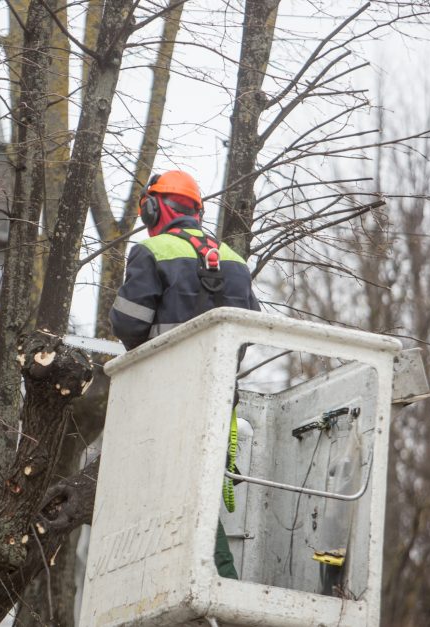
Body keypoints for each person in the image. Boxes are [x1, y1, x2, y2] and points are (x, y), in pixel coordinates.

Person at [109, 169, 260, 580]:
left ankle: (216, 582)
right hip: (216, 400)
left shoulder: (151, 251)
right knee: (199, 488)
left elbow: (127, 323)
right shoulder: (233, 260)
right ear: (197, 211)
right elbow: (251, 330)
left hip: (163, 395)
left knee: (173, 495)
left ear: (152, 208)